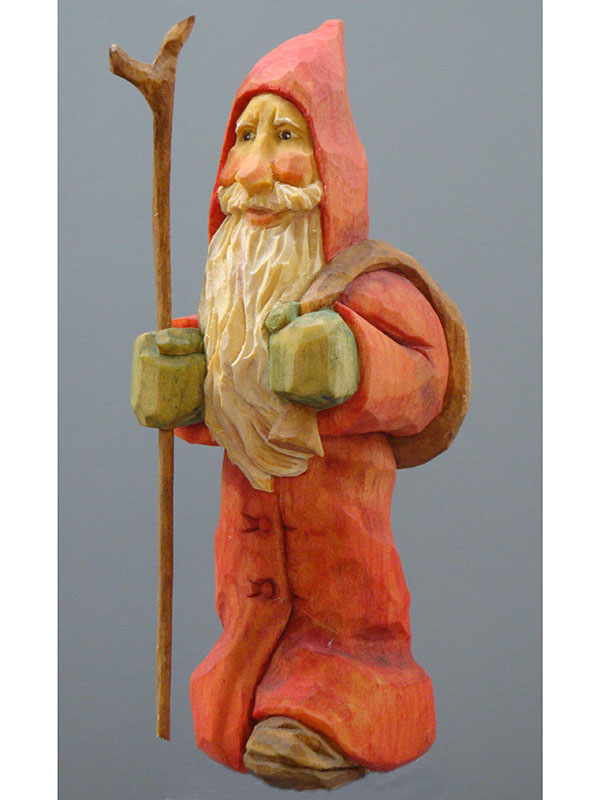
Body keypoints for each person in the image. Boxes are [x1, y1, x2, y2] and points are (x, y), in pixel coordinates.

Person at [132, 19, 469, 791]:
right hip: (248, 574)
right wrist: (179, 382)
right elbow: (230, 383)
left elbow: (428, 379)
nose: (255, 170)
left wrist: (351, 360)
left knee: (349, 640)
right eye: (242, 138)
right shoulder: (233, 303)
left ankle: (345, 710)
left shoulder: (371, 290)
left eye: (284, 136)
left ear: (330, 165)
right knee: (244, 663)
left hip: (345, 578)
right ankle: (259, 703)